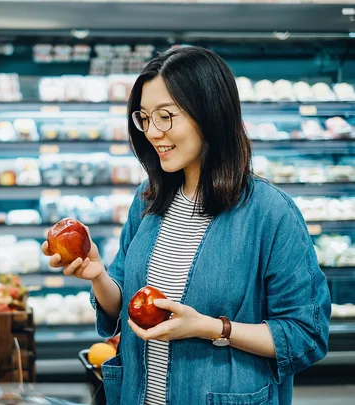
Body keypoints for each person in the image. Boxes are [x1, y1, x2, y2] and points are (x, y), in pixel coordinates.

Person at [42, 46, 331, 405]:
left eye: (165, 116)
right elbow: (120, 307)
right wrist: (99, 275)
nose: (152, 132)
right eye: (144, 118)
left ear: (209, 113)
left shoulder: (270, 213)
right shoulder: (148, 200)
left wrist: (211, 328)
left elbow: (306, 334)